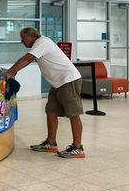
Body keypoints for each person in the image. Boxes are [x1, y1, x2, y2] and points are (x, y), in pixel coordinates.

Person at [5, 27, 84, 158]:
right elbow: (27, 59)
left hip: (68, 80)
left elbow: (27, 59)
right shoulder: (39, 44)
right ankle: (51, 143)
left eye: (23, 38)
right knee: (51, 111)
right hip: (57, 83)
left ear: (32, 36)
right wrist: (13, 70)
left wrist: (11, 71)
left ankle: (78, 147)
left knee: (73, 113)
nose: (22, 41)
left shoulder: (42, 42)